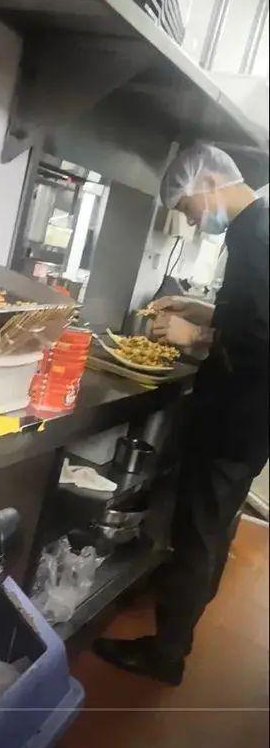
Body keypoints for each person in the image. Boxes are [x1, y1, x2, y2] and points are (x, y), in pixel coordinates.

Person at [93, 143, 269, 685]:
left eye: (189, 209)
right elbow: (254, 314)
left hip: (239, 417)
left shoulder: (259, 235)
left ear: (209, 183)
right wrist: (206, 311)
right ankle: (176, 633)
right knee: (212, 528)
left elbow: (263, 337)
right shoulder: (253, 228)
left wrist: (196, 336)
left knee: (199, 533)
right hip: (246, 418)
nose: (192, 221)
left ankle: (166, 654)